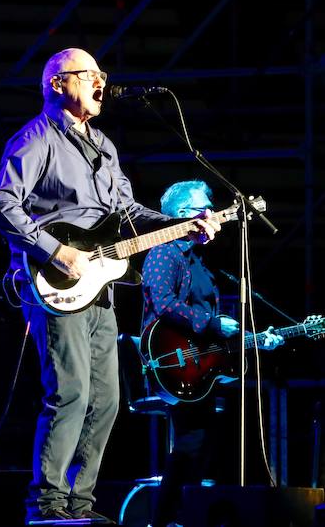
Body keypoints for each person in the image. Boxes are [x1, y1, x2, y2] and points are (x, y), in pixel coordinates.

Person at [0, 48, 221, 524]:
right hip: (56, 281)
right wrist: (54, 251)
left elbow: (128, 215)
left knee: (108, 399)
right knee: (69, 392)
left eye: (101, 74)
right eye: (89, 75)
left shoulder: (104, 146)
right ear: (57, 84)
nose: (99, 83)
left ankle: (81, 503)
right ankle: (47, 502)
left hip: (102, 287)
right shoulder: (36, 139)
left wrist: (183, 223)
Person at [141, 180, 283, 527]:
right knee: (192, 442)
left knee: (203, 443)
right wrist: (213, 323)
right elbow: (163, 304)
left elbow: (214, 331)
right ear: (185, 215)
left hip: (201, 365)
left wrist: (254, 339)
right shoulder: (165, 252)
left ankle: (184, 513)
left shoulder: (200, 262)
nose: (214, 216)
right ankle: (166, 517)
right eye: (207, 209)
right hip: (175, 361)